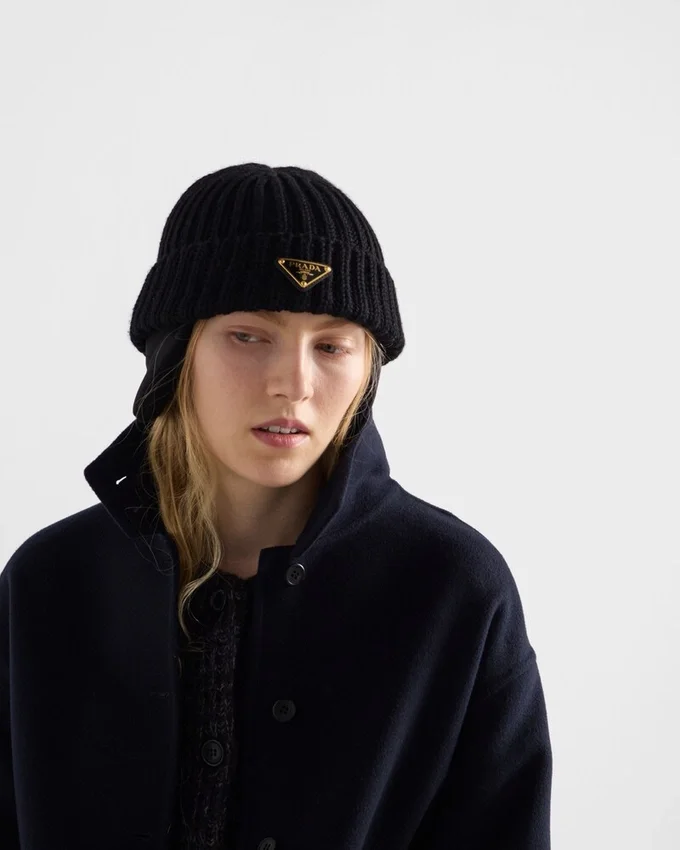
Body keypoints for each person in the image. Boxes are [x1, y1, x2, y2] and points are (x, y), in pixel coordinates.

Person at [0, 162, 553, 849]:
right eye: (248, 335)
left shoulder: (454, 590)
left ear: (368, 371)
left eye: (332, 346)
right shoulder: (51, 584)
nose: (293, 383)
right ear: (176, 354)